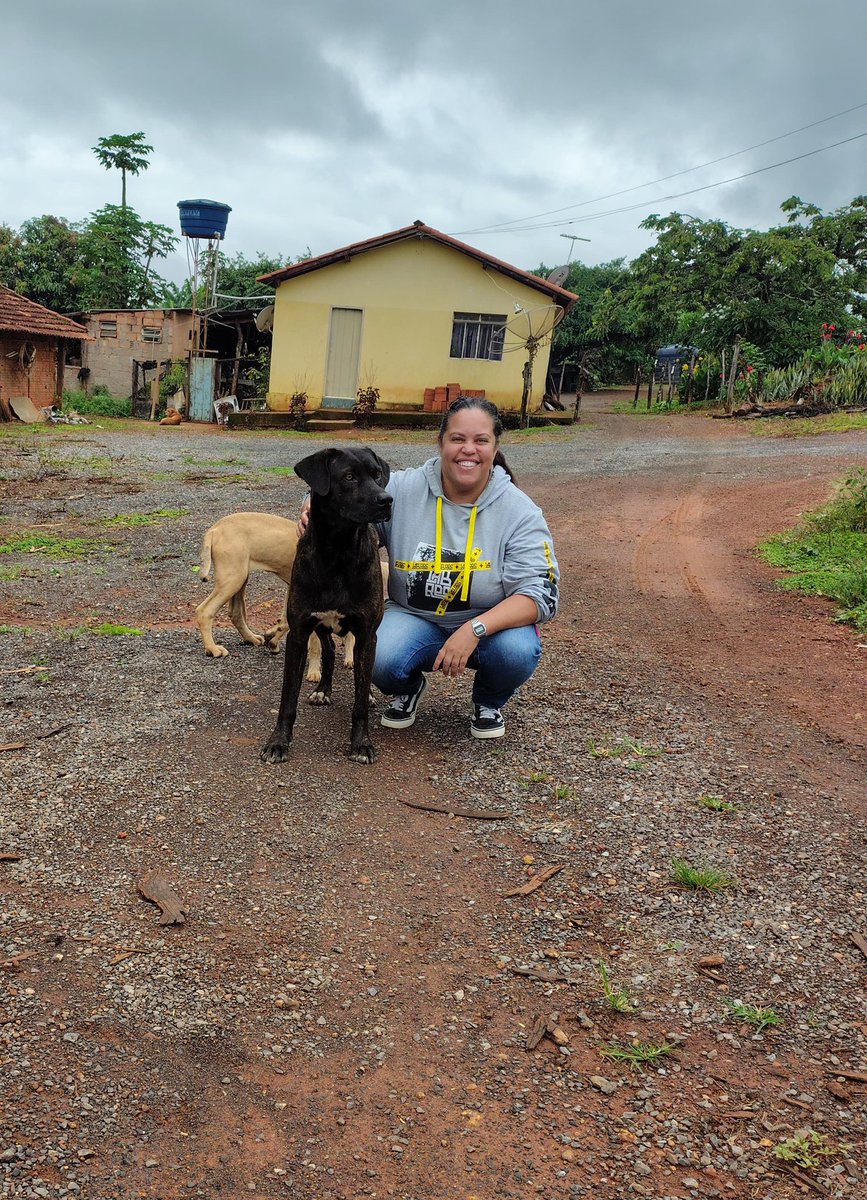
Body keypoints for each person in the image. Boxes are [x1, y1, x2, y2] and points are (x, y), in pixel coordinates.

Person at [300, 396, 559, 739]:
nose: (469, 449)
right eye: (457, 439)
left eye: (481, 440)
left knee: (517, 651)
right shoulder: (403, 490)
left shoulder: (520, 511)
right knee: (380, 654)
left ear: (495, 447)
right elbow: (342, 492)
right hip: (414, 617)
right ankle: (406, 689)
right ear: (440, 443)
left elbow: (540, 595)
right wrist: (309, 504)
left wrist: (474, 629)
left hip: (488, 626)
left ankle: (488, 701)